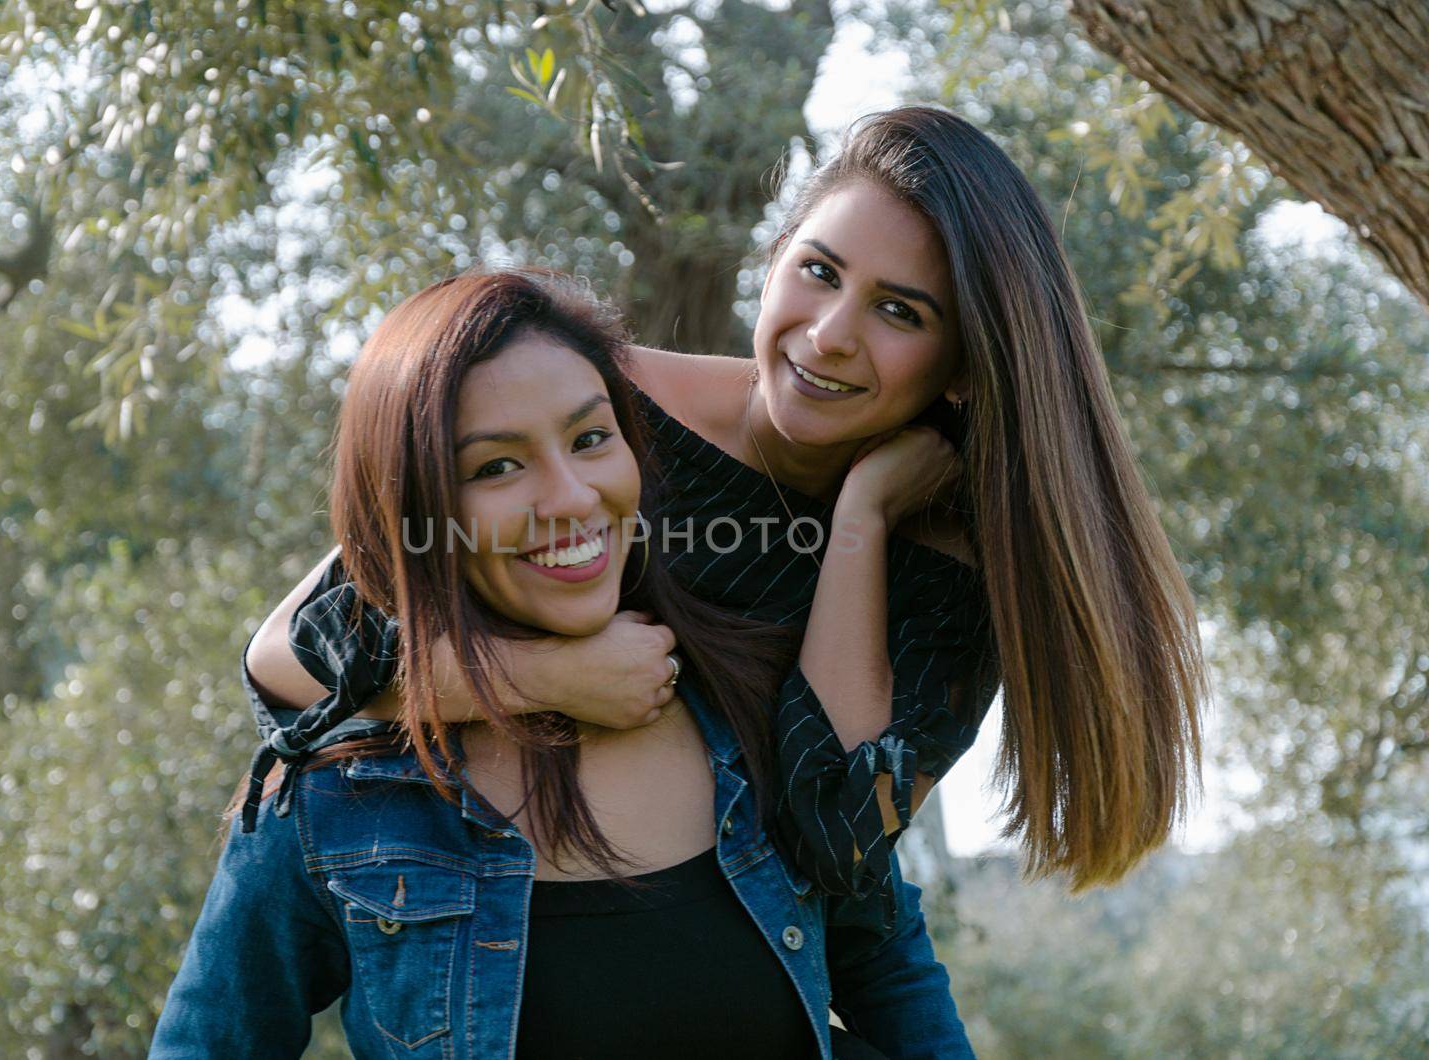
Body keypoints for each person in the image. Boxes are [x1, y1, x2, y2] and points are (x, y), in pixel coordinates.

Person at [245, 105, 1207, 910]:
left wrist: (862, 521)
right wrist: (551, 676)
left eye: (898, 311)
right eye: (820, 272)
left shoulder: (948, 574)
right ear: (778, 255)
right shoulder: (601, 409)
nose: (829, 335)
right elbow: (293, 658)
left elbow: (832, 844)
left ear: (963, 367)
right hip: (480, 929)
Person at [151, 270, 964, 1058]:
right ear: (415, 506)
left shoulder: (754, 714)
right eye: (496, 466)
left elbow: (893, 985)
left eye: (590, 439)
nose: (573, 496)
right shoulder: (336, 797)